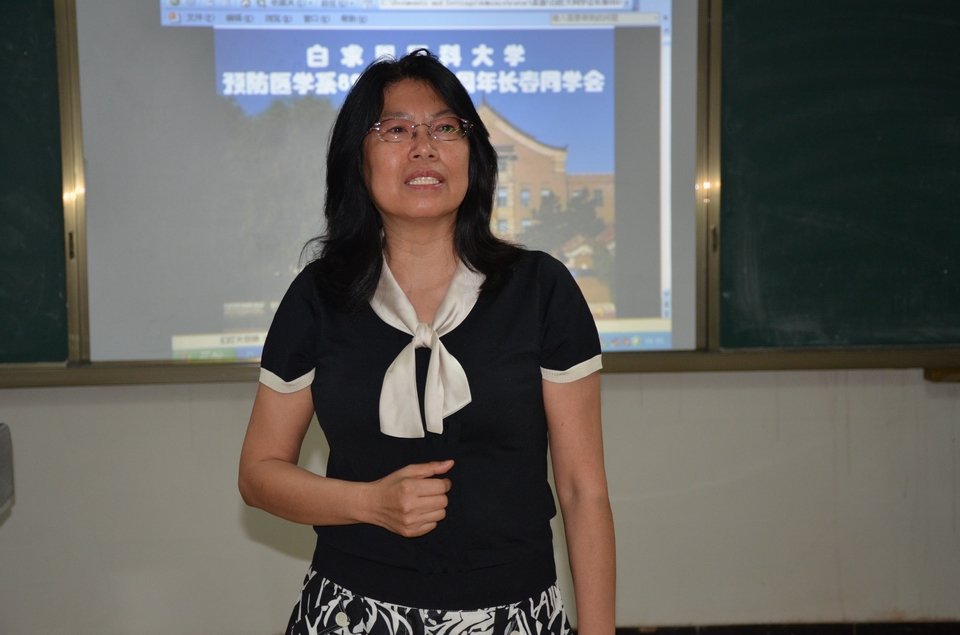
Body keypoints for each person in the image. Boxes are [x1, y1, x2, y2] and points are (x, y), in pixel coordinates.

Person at [238, 50, 615, 635]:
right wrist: (369, 504)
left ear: (473, 155)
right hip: (353, 615)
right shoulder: (320, 295)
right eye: (395, 130)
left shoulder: (541, 289)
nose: (424, 147)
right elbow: (258, 473)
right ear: (358, 160)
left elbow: (582, 490)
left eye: (445, 128)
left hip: (515, 616)